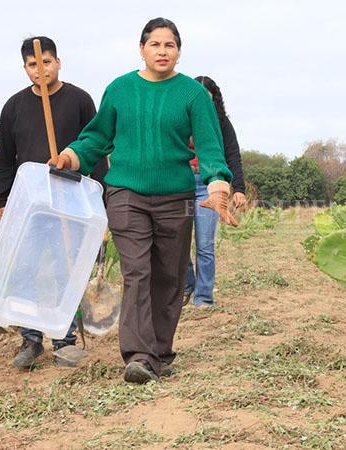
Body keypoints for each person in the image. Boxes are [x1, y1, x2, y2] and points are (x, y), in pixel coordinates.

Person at [55, 18, 236, 384]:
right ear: (142, 49)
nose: (162, 51)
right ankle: (137, 356)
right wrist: (71, 157)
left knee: (168, 277)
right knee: (137, 272)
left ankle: (160, 353)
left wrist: (219, 185)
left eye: (170, 45)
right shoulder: (120, 90)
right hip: (126, 193)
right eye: (155, 44)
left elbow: (210, 148)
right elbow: (96, 138)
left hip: (175, 196)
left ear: (178, 52)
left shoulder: (192, 95)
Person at [0, 36, 108, 370]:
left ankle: (64, 342)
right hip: (31, 205)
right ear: (25, 67)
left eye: (46, 62)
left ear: (58, 62)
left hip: (72, 203)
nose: (40, 70)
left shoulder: (80, 100)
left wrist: (101, 208)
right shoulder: (14, 107)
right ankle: (30, 340)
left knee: (65, 271)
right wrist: (1, 202)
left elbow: (97, 153)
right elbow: (4, 159)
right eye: (32, 64)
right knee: (25, 269)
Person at [184, 75, 246, 308]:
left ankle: (203, 298)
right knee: (176, 244)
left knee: (205, 245)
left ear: (214, 100)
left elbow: (232, 155)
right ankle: (188, 282)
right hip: (179, 182)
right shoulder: (179, 118)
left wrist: (238, 188)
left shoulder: (221, 123)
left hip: (209, 185)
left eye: (207, 99)